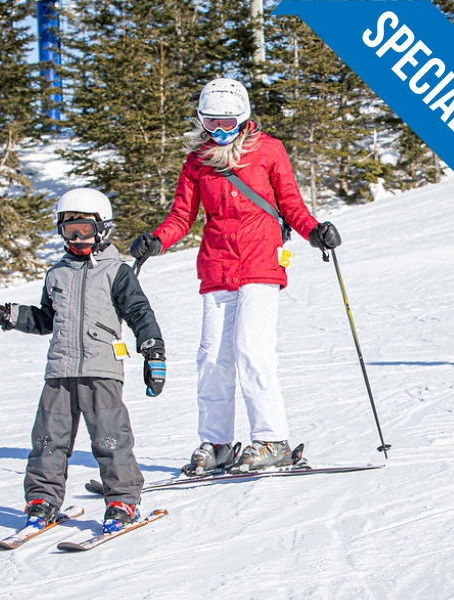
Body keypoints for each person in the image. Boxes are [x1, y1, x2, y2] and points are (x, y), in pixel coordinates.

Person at [129, 78, 341, 475]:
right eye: (212, 123)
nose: (220, 131)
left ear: (244, 119)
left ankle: (271, 439)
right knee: (212, 358)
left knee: (251, 350)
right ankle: (217, 443)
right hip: (217, 266)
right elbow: (181, 217)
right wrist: (156, 242)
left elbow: (291, 204)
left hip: (260, 261)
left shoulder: (268, 150)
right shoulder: (197, 161)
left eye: (228, 122)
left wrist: (314, 231)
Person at [0, 187, 166, 533]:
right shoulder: (56, 274)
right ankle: (41, 501)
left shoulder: (117, 272)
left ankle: (122, 500)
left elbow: (139, 313)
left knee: (110, 439)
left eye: (84, 230)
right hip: (59, 370)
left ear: (102, 228)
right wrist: (7, 315)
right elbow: (46, 318)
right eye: (68, 229)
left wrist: (153, 352)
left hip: (102, 369)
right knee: (47, 441)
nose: (76, 237)